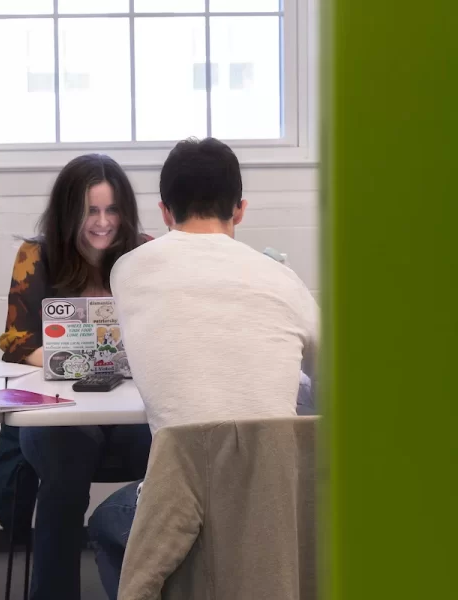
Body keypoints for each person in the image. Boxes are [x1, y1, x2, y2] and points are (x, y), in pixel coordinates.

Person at [87, 138, 319, 599]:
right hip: (277, 514)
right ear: (240, 209)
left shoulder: (128, 271)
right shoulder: (285, 280)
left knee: (106, 521)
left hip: (183, 508)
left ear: (165, 212)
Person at [0, 154, 154, 600]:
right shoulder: (36, 254)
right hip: (61, 413)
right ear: (69, 211)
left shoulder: (143, 251)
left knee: (177, 456)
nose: (103, 223)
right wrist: (74, 359)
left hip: (127, 415)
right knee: (65, 470)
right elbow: (15, 341)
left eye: (112, 210)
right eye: (91, 211)